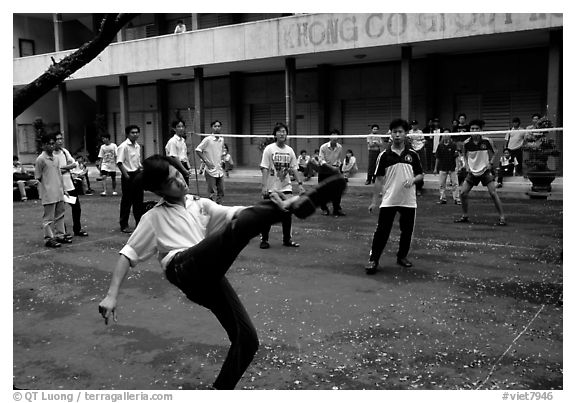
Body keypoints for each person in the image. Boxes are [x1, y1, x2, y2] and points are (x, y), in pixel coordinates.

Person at [97, 154, 347, 390]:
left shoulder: (200, 204)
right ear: (160, 190)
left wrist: (267, 209)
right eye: (170, 182)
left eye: (178, 174)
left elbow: (235, 213)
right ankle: (290, 208)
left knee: (247, 340)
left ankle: (220, 391)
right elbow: (127, 255)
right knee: (236, 231)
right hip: (183, 268)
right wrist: (111, 295)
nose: (179, 181)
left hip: (208, 277)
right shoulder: (153, 217)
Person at [365, 118, 424, 274]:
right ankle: (374, 260)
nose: (397, 135)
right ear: (390, 134)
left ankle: (402, 257)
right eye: (394, 132)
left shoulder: (413, 155)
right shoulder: (384, 156)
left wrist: (413, 180)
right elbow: (378, 179)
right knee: (382, 231)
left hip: (408, 200)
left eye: (400, 132)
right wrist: (374, 201)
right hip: (389, 199)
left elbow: (420, 175)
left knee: (407, 231)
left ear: (406, 134)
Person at [259, 122, 305, 249]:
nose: (282, 133)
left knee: (287, 213)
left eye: (284, 131)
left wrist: (300, 184)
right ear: (275, 134)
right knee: (267, 214)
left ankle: (287, 240)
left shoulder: (290, 151)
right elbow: (264, 168)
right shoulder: (269, 149)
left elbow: (295, 168)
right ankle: (264, 239)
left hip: (286, 187)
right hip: (271, 187)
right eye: (279, 131)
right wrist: (264, 186)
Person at [454, 119, 506, 226]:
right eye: (472, 128)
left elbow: (496, 152)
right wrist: (467, 166)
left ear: (481, 130)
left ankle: (502, 217)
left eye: (476, 128)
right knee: (463, 193)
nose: (474, 130)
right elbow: (464, 155)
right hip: (472, 172)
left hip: (485, 171)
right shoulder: (466, 143)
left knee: (493, 193)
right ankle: (465, 216)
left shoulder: (487, 141)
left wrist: (491, 163)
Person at [34, 133, 68, 248]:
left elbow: (59, 174)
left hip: (58, 191)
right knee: (48, 217)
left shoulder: (56, 158)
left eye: (53, 144)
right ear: (44, 145)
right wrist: (46, 188)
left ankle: (60, 235)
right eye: (49, 144)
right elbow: (38, 177)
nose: (52, 146)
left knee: (60, 214)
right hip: (48, 193)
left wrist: (64, 189)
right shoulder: (41, 159)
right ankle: (48, 238)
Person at [54, 132, 89, 238]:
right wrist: (65, 168)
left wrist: (62, 168)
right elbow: (52, 171)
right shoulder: (51, 154)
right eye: (57, 139)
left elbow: (74, 164)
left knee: (76, 207)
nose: (60, 141)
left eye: (61, 139)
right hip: (58, 186)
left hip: (69, 185)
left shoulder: (64, 152)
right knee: (59, 210)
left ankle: (77, 229)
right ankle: (62, 232)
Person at [117, 124, 144, 233]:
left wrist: (141, 169)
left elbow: (137, 161)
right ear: (128, 134)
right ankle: (124, 224)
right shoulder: (123, 146)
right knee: (127, 201)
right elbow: (119, 162)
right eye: (133, 132)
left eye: (137, 132)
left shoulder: (137, 146)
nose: (135, 134)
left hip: (137, 174)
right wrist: (126, 175)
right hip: (128, 175)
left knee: (138, 200)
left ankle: (139, 223)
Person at [196, 120, 225, 204]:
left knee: (221, 190)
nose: (217, 128)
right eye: (215, 126)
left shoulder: (221, 139)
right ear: (212, 128)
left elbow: (222, 151)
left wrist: (222, 160)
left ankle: (218, 207)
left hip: (219, 170)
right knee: (212, 192)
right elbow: (198, 150)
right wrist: (206, 162)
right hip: (210, 170)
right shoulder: (207, 139)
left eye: (219, 126)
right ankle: (210, 208)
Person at [318, 130, 346, 216]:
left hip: (334, 171)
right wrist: (331, 168)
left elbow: (338, 159)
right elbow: (321, 161)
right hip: (324, 171)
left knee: (337, 190)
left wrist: (338, 166)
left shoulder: (340, 147)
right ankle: (324, 209)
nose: (334, 137)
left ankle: (336, 209)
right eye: (333, 135)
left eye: (336, 135)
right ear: (329, 137)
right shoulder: (323, 147)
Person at [433, 133, 461, 205]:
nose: (446, 136)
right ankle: (442, 198)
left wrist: (457, 166)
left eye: (447, 134)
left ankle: (457, 199)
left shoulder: (453, 145)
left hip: (452, 167)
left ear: (450, 135)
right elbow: (437, 157)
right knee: (441, 184)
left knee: (455, 183)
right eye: (444, 134)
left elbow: (456, 157)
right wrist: (435, 168)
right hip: (442, 167)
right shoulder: (440, 146)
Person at [165, 119, 191, 184]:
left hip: (184, 165)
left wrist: (188, 167)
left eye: (182, 126)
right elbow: (174, 157)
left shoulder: (183, 141)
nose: (181, 128)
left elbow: (184, 155)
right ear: (174, 129)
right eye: (178, 127)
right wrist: (184, 170)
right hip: (176, 167)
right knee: (178, 187)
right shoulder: (173, 141)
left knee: (185, 186)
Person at [409, 120, 426, 196]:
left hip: (419, 149)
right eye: (413, 125)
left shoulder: (420, 132)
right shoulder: (410, 132)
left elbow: (423, 140)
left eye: (415, 124)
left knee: (420, 169)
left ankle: (419, 189)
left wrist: (421, 144)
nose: (414, 126)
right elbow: (409, 140)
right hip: (412, 149)